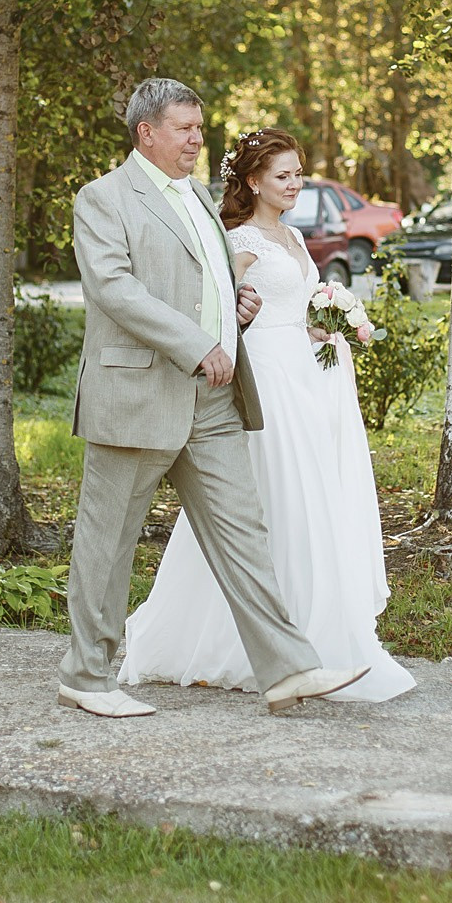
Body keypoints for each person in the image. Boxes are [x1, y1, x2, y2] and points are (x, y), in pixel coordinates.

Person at [57, 79, 368, 718]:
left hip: (213, 400)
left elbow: (213, 280)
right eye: (184, 128)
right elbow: (114, 289)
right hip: (137, 395)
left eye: (200, 128)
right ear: (147, 132)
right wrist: (199, 342)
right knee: (108, 543)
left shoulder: (200, 197)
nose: (197, 139)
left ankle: (287, 669)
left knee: (243, 533)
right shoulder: (103, 198)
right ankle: (87, 677)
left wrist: (237, 305)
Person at [120, 127, 415, 703]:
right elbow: (218, 309)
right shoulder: (240, 239)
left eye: (299, 173)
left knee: (312, 497)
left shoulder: (295, 236)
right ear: (253, 181)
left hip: (309, 377)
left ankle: (305, 629)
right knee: (279, 496)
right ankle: (270, 643)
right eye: (283, 176)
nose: (295, 184)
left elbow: (295, 305)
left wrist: (325, 325)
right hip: (271, 379)